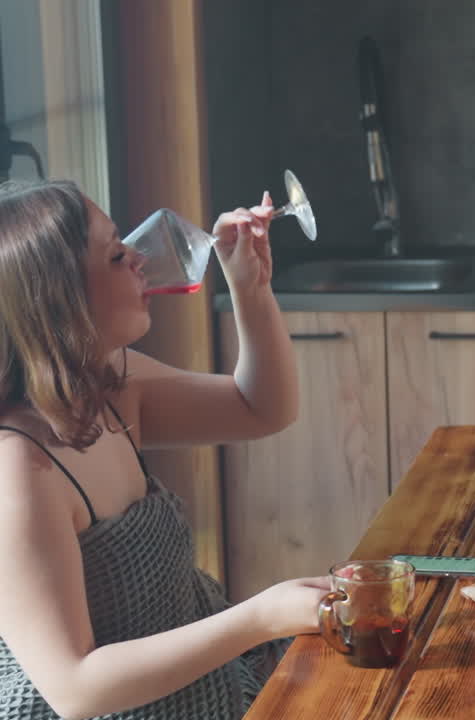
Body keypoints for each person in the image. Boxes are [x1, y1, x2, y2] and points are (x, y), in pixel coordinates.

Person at [0, 180, 331, 719]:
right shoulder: (16, 470)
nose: (138, 257)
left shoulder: (107, 386)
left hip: (207, 698)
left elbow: (261, 408)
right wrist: (260, 617)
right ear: (56, 298)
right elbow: (75, 688)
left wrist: (248, 288)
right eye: (114, 252)